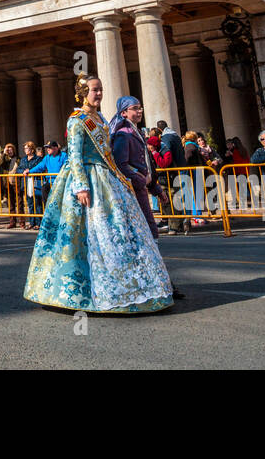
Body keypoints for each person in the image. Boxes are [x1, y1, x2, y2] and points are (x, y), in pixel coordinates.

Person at [23, 75, 176, 314]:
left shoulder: (100, 118)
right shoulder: (77, 120)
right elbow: (74, 155)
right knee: (83, 237)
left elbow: (108, 153)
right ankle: (80, 291)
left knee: (119, 232)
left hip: (106, 177)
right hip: (85, 178)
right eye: (95, 90)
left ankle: (133, 287)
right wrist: (81, 186)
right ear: (83, 93)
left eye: (101, 89)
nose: (99, 93)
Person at [109, 96, 159, 237]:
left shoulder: (138, 132)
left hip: (141, 187)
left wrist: (156, 187)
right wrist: (139, 179)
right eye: (135, 108)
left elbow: (147, 162)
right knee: (144, 229)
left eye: (140, 107)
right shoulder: (123, 134)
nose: (139, 111)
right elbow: (120, 163)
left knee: (148, 228)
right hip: (132, 189)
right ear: (124, 113)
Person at [155, 121, 187, 234]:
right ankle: (181, 223)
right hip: (178, 170)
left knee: (172, 199)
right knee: (176, 198)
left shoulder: (166, 139)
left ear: (159, 130)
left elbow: (166, 157)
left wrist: (155, 153)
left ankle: (175, 226)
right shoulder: (175, 136)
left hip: (171, 173)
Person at [18, 141, 45, 230]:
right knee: (29, 204)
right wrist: (23, 171)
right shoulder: (23, 159)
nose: (25, 150)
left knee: (37, 203)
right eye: (25, 148)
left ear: (32, 149)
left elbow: (40, 168)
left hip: (36, 182)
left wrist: (29, 171)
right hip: (26, 183)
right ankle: (31, 222)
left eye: (27, 148)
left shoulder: (38, 159)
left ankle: (38, 223)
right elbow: (19, 169)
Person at [0, 143, 22, 228]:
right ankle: (12, 222)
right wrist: (4, 153)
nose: (9, 151)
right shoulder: (6, 160)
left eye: (11, 149)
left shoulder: (18, 159)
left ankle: (22, 222)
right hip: (8, 184)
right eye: (8, 150)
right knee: (11, 203)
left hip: (17, 183)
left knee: (20, 202)